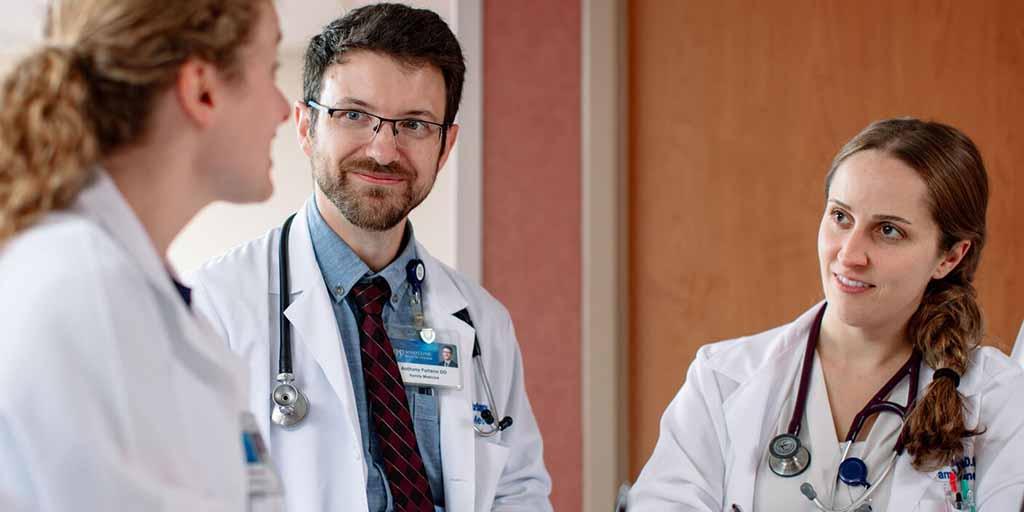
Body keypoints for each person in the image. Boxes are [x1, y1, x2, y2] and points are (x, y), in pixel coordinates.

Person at [189, 4, 553, 511]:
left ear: (446, 146)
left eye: (414, 124)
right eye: (354, 115)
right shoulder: (215, 307)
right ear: (306, 126)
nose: (383, 150)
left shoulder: (483, 323)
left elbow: (518, 493)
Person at [629, 118, 1024, 511]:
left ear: (950, 256)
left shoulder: (997, 400)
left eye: (888, 230)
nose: (849, 255)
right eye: (840, 217)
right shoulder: (722, 380)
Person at [0, 0, 290, 510]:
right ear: (202, 89)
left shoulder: (122, 285)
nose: (283, 109)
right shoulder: (81, 291)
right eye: (270, 70)